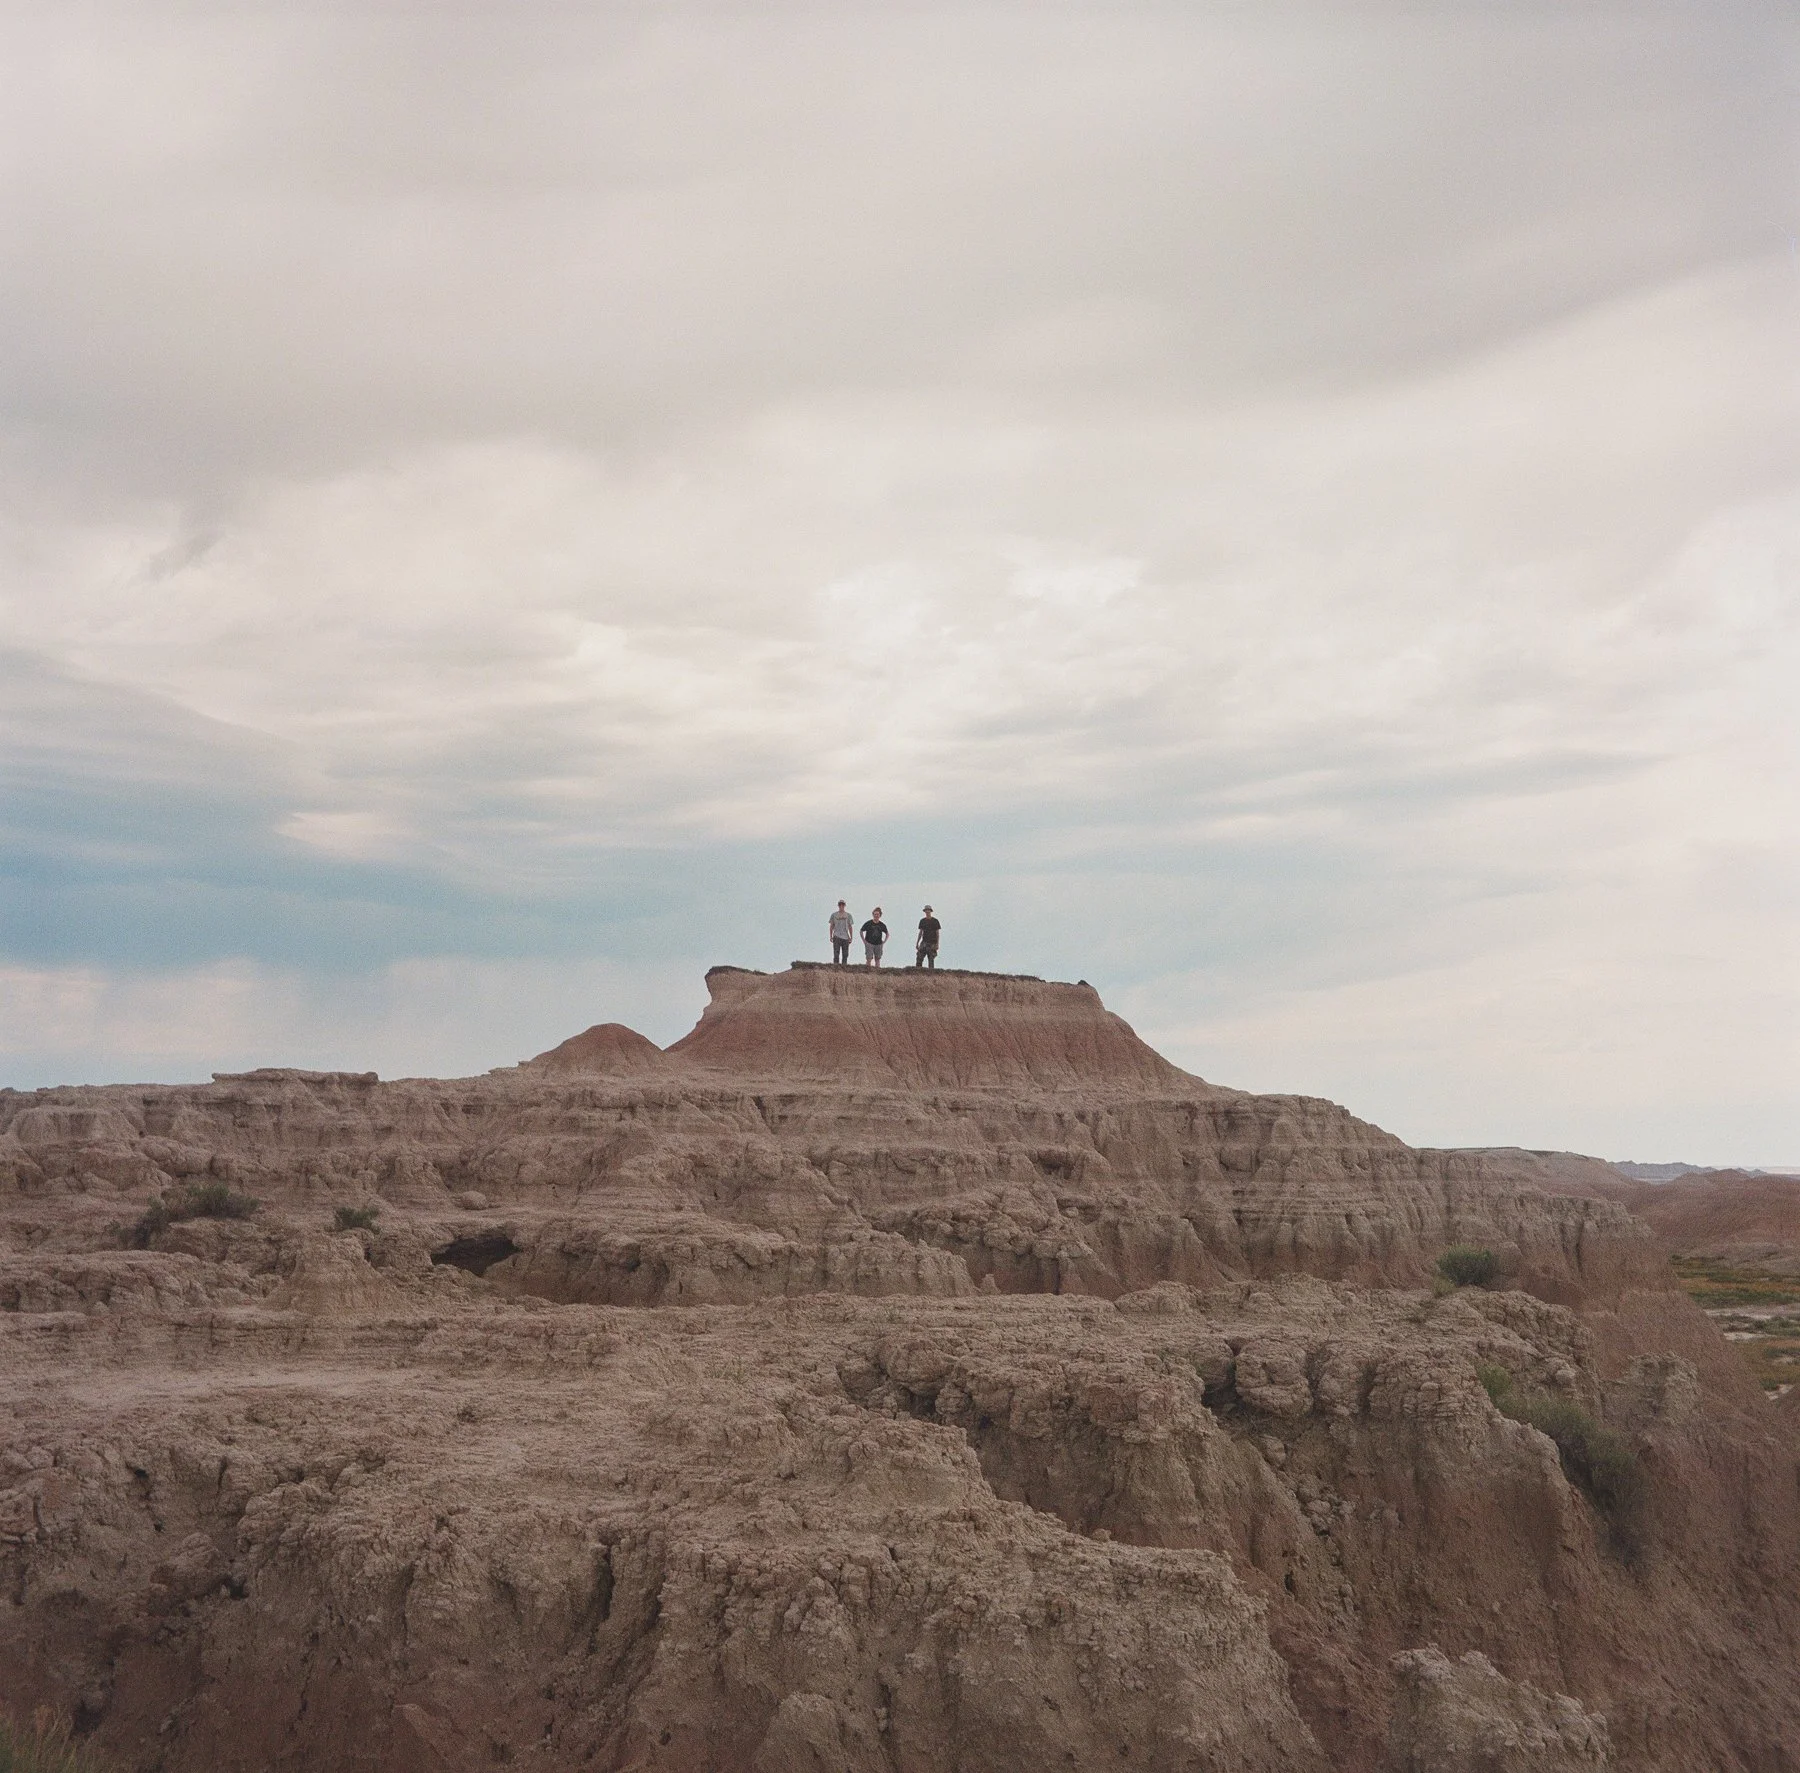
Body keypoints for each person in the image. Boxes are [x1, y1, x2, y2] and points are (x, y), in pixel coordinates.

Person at [828, 900, 854, 966]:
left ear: (844, 906)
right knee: (836, 953)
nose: (841, 906)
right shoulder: (834, 915)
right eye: (840, 905)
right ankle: (836, 967)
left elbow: (850, 926)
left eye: (842, 905)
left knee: (845, 954)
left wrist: (851, 937)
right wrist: (830, 936)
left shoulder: (848, 915)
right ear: (838, 906)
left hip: (845, 937)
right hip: (836, 936)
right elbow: (831, 926)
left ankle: (844, 967)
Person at [915, 905, 941, 969]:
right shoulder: (922, 921)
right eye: (926, 910)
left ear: (930, 911)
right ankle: (918, 972)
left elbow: (937, 933)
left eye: (928, 910)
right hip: (924, 942)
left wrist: (937, 944)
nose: (927, 911)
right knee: (919, 957)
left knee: (931, 959)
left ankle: (931, 974)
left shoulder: (935, 921)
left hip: (932, 942)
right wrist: (917, 943)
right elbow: (920, 932)